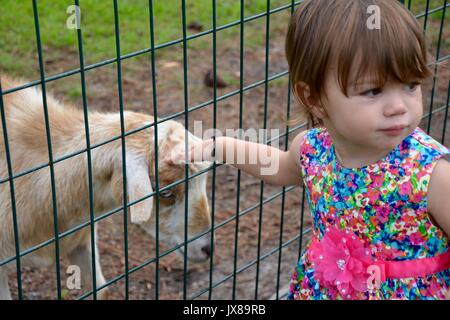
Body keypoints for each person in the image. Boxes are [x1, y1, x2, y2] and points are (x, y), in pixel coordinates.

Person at [170, 0, 450, 300]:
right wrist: (219, 147)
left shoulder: (432, 175)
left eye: (410, 85)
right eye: (373, 91)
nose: (399, 107)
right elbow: (276, 166)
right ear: (313, 97)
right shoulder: (313, 149)